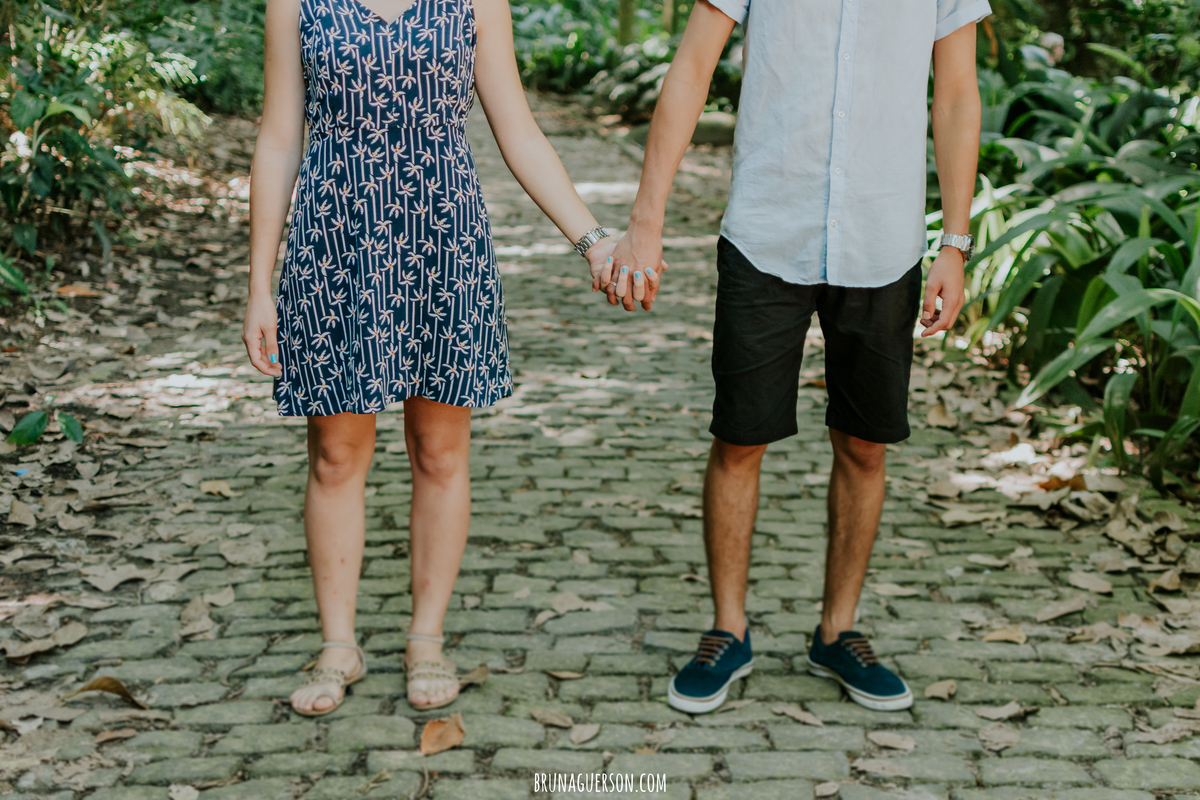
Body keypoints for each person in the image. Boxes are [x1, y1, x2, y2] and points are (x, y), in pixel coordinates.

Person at [242, 0, 655, 716]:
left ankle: (425, 638)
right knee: (336, 454)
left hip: (443, 238)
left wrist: (592, 240)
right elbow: (279, 137)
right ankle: (338, 643)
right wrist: (258, 282)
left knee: (439, 449)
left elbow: (517, 128)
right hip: (334, 239)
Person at [603, 0, 989, 712]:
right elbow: (692, 68)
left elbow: (959, 93)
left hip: (885, 236)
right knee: (740, 437)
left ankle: (838, 632)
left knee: (867, 445)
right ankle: (728, 629)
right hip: (766, 228)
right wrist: (644, 222)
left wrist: (956, 242)